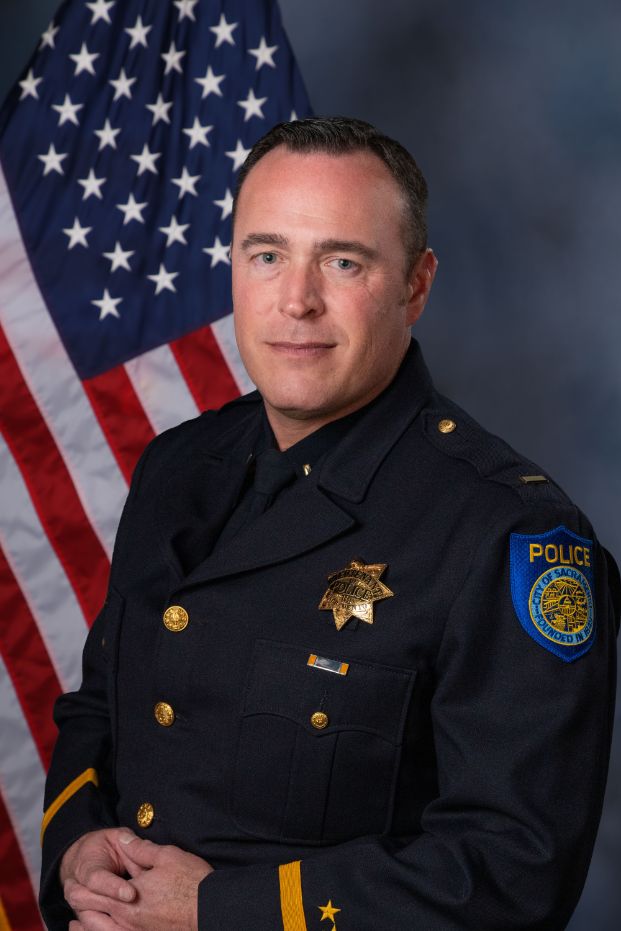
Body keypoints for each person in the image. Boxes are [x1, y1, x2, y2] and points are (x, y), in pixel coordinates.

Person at [40, 117, 619, 931]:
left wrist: (216, 909)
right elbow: (100, 706)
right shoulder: (176, 468)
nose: (296, 299)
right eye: (266, 254)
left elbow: (513, 870)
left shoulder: (507, 535)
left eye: (342, 261)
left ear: (415, 286)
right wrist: (76, 846)